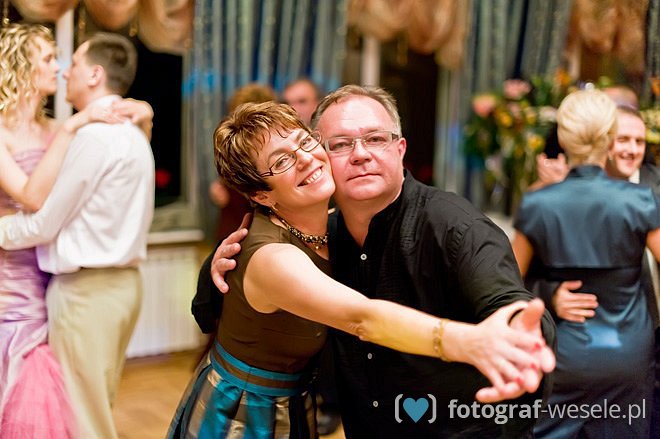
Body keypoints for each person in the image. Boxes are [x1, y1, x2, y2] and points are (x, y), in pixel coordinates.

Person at [169, 101, 554, 438]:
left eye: (305, 142)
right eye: (282, 161)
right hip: (241, 414)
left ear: (401, 149)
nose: (305, 159)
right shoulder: (275, 256)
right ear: (260, 195)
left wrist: (518, 330)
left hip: (297, 405)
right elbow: (362, 318)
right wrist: (470, 342)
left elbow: (504, 295)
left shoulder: (350, 227)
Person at [0, 24, 153, 437]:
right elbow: (33, 198)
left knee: (74, 408)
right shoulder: (74, 130)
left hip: (62, 279)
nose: (61, 68)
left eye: (66, 60)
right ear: (21, 64)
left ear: (95, 75)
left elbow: (47, 215)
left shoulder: (71, 131)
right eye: (49, 58)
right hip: (15, 280)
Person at [511, 89, 660, 438]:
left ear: (563, 138)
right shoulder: (640, 201)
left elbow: (504, 282)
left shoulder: (538, 204)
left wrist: (548, 293)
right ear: (609, 138)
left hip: (561, 355)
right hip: (628, 356)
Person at [209, 83, 277, 240]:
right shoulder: (231, 142)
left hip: (252, 225)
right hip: (239, 223)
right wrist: (219, 186)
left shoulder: (270, 146)